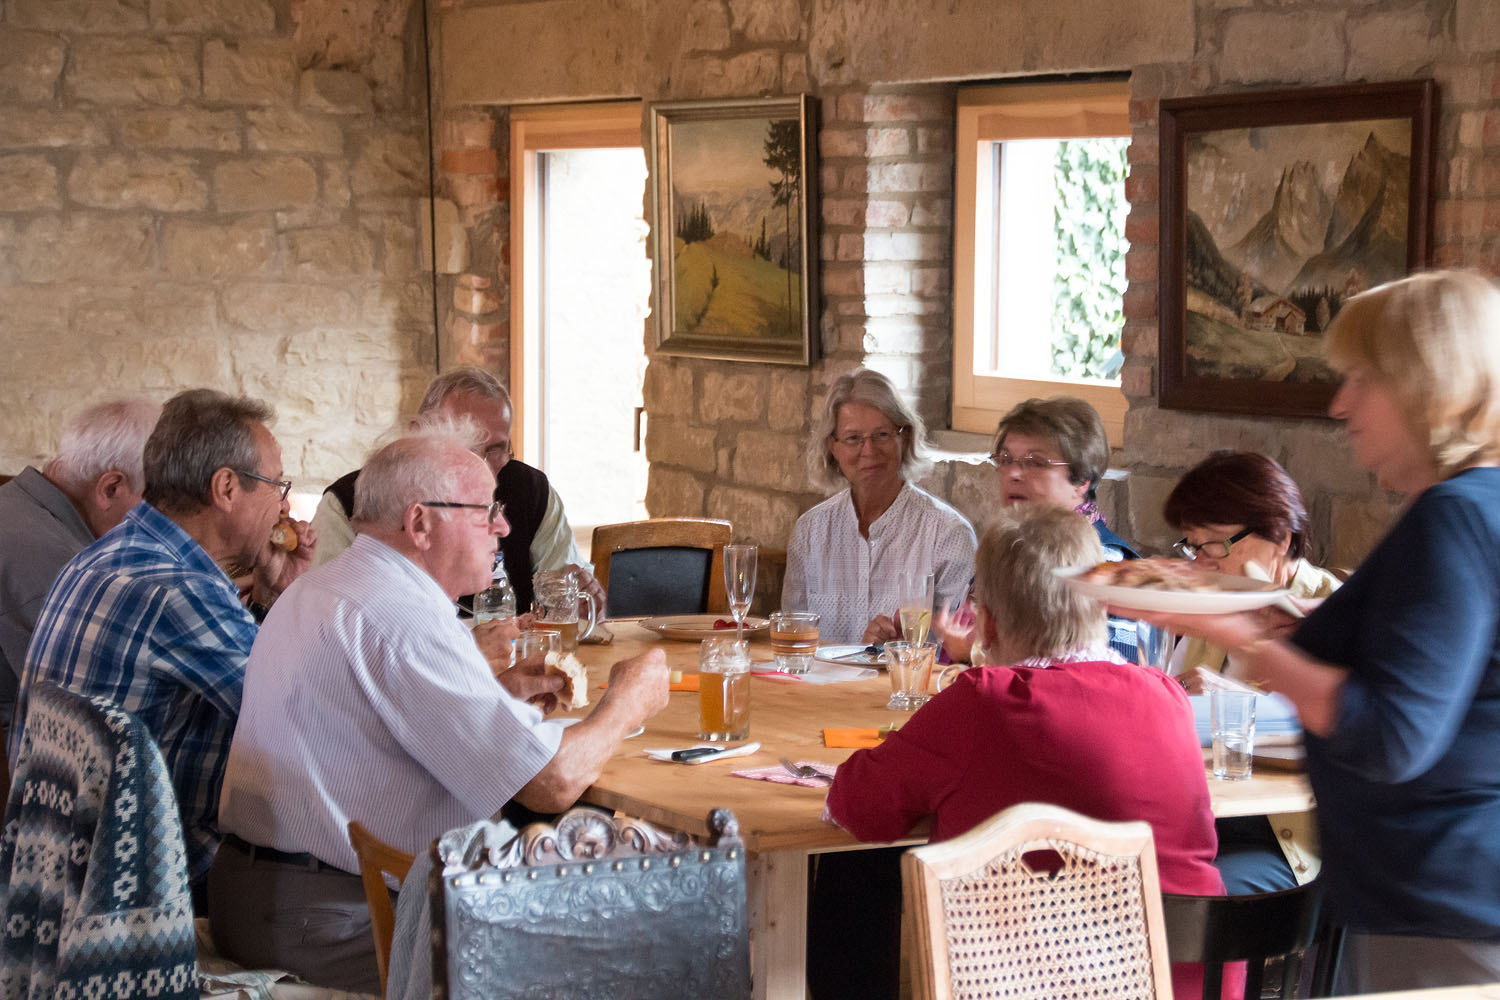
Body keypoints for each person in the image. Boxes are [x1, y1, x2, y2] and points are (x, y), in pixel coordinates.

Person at [1128, 270, 1500, 991]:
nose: (1340, 404)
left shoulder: (1451, 518)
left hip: (1438, 901)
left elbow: (1391, 733)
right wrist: (1279, 623)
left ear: (1425, 384)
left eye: (1361, 378)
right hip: (1435, 893)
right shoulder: (1478, 502)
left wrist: (1243, 637)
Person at [212, 426, 668, 993]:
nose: (502, 527)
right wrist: (628, 701)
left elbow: (376, 727)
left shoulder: (331, 585)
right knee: (634, 945)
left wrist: (495, 696)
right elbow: (551, 783)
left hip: (263, 893)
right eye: (485, 511)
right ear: (420, 523)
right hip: (335, 915)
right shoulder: (401, 613)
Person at [814, 504, 1224, 1000]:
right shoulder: (1168, 697)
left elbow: (860, 807)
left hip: (1041, 982)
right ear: (1101, 607)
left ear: (985, 626)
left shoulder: (984, 700)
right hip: (1189, 981)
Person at [13, 389, 315, 887]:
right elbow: (304, 717)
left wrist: (270, 597)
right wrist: (298, 599)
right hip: (133, 891)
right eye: (276, 485)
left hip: (52, 870)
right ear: (226, 488)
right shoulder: (181, 589)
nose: (283, 506)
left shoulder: (106, 555)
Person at [1163, 450, 1340, 894]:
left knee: (1176, 894)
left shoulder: (1335, 612)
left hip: (1290, 837)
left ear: (1279, 537)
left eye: (1215, 544)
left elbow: (1351, 736)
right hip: (1209, 816)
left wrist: (1235, 702)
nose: (1201, 563)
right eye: (1192, 545)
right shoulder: (1216, 609)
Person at [310, 365, 601, 615]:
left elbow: (563, 593)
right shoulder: (350, 501)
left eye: (497, 450)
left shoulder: (531, 492)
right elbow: (328, 613)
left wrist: (580, 597)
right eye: (468, 447)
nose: (483, 466)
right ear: (417, 432)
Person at [0, 398, 160, 751]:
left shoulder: (18, 506)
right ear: (110, 488)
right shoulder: (57, 561)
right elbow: (112, 705)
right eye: (157, 501)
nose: (164, 520)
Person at [936, 395, 1138, 662]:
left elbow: (1108, 673)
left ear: (1081, 481)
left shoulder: (1106, 566)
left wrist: (973, 656)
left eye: (1036, 462)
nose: (1013, 474)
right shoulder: (1009, 546)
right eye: (1006, 459)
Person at [782, 369, 976, 645]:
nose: (869, 450)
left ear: (904, 438)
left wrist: (894, 652)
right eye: (853, 438)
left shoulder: (947, 535)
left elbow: (959, 652)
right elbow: (792, 639)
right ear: (833, 447)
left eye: (882, 434)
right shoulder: (810, 531)